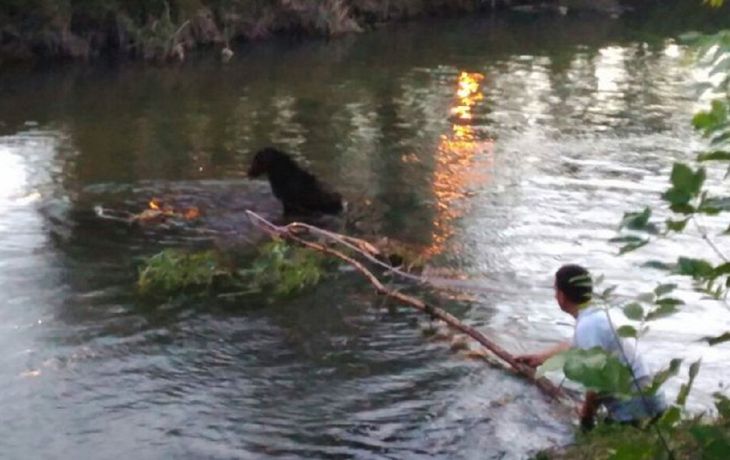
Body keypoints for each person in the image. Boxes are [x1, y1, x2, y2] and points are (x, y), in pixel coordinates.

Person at [516, 264, 667, 429]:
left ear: (561, 295)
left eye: (555, 290)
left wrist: (586, 417)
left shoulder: (588, 325)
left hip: (636, 407)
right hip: (650, 398)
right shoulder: (595, 315)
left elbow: (595, 384)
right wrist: (540, 358)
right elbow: (574, 345)